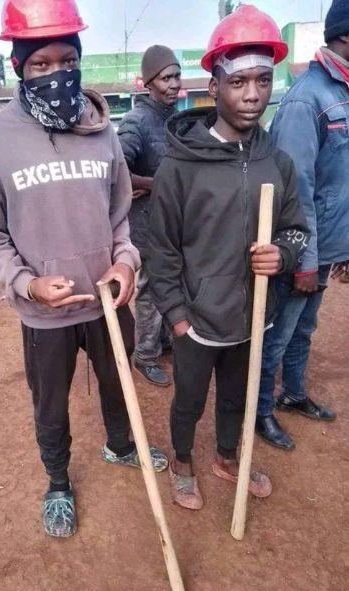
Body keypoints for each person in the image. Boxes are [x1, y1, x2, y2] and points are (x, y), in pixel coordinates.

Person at [0, 0, 166, 538]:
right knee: (50, 403)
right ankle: (57, 481)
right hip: (43, 313)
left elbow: (120, 217)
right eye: (41, 64)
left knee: (117, 385)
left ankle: (121, 445)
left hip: (107, 300)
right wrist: (27, 283)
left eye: (67, 61)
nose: (57, 74)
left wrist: (125, 263)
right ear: (18, 67)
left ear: (80, 60)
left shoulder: (102, 130)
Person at [146, 4, 309, 511]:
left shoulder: (275, 162)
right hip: (196, 319)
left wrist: (280, 255)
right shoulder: (181, 165)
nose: (254, 94)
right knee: (190, 401)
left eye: (263, 80)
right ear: (214, 86)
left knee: (236, 401)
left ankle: (227, 457)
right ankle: (183, 462)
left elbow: (297, 231)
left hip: (252, 317)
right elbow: (161, 247)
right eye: (239, 83)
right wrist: (176, 316)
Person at [254, 0, 349, 450]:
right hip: (301, 249)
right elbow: (296, 191)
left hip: (329, 243)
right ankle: (261, 412)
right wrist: (306, 260)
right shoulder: (305, 99)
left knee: (305, 328)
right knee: (281, 330)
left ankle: (292, 394)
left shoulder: (342, 93)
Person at [117, 44, 182, 388]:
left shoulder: (173, 118)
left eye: (176, 76)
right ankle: (145, 355)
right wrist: (155, 184)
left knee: (171, 284)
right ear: (148, 82)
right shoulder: (136, 121)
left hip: (170, 221)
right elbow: (115, 171)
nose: (173, 84)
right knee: (152, 290)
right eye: (165, 78)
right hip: (144, 223)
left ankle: (162, 340)